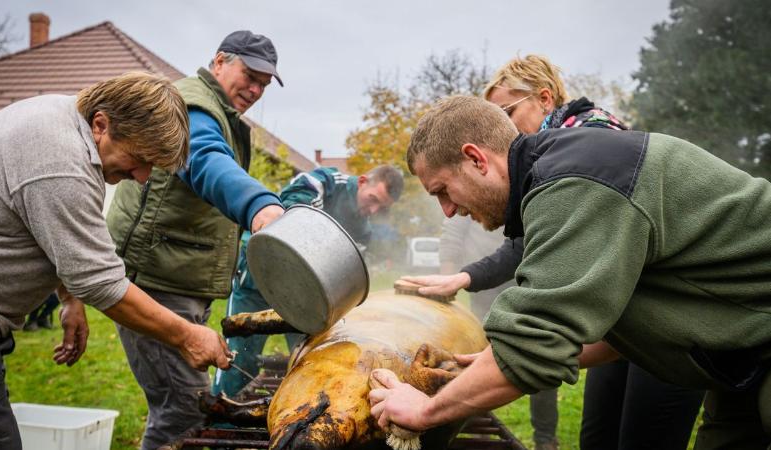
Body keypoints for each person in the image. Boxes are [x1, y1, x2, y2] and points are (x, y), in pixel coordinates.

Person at [368, 95, 771, 449]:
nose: (448, 211)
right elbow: (609, 333)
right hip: (738, 357)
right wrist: (493, 361)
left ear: (476, 159)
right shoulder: (559, 173)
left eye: (442, 190)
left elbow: (533, 348)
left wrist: (425, 412)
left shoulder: (575, 182)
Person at [402, 55, 704, 450]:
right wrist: (486, 323)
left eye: (505, 111)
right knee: (598, 436)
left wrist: (424, 412)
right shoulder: (547, 169)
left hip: (706, 321)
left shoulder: (582, 158)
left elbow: (542, 329)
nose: (500, 124)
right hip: (636, 325)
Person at [0, 72, 231, 450]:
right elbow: (103, 282)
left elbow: (49, 234)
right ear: (102, 123)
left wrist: (69, 300)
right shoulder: (60, 159)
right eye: (141, 159)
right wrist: (188, 335)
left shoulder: (62, 124)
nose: (142, 177)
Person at [105, 30, 285, 450]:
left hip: (178, 280)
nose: (256, 89)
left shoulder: (221, 111)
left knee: (176, 403)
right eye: (250, 75)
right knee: (183, 409)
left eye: (264, 83)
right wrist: (260, 206)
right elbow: (203, 157)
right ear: (220, 60)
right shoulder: (192, 105)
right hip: (157, 283)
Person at [216, 164, 404, 397]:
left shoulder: (363, 230)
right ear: (363, 181)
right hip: (261, 272)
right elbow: (293, 206)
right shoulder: (325, 181)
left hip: (306, 296)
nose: (373, 209)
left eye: (381, 207)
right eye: (373, 199)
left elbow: (347, 274)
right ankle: (223, 406)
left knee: (309, 358)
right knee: (240, 354)